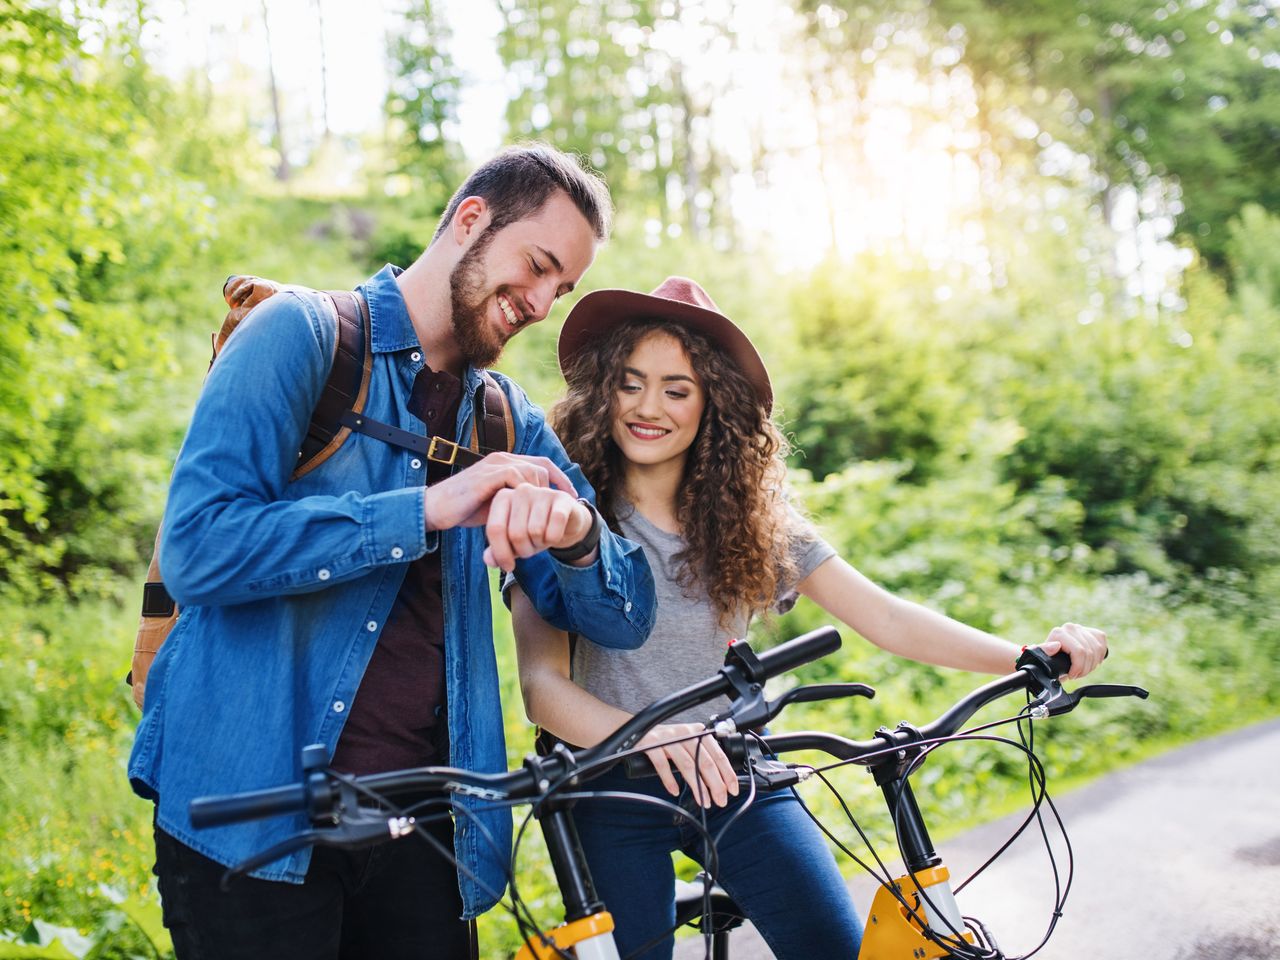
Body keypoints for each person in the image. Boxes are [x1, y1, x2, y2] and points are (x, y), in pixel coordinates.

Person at [128, 145, 657, 960]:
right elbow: (199, 547)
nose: (545, 302)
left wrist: (580, 538)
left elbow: (626, 614)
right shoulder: (298, 337)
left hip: (428, 834)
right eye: (539, 265)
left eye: (565, 287)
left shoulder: (505, 419)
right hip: (251, 821)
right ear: (471, 220)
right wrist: (422, 510)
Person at [510, 276, 1109, 960]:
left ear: (712, 406)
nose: (650, 407)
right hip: (610, 787)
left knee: (834, 946)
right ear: (603, 390)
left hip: (735, 774)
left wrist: (1028, 655)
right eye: (630, 382)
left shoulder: (749, 522)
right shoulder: (560, 514)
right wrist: (650, 736)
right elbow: (542, 688)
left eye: (677, 389)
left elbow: (886, 617)